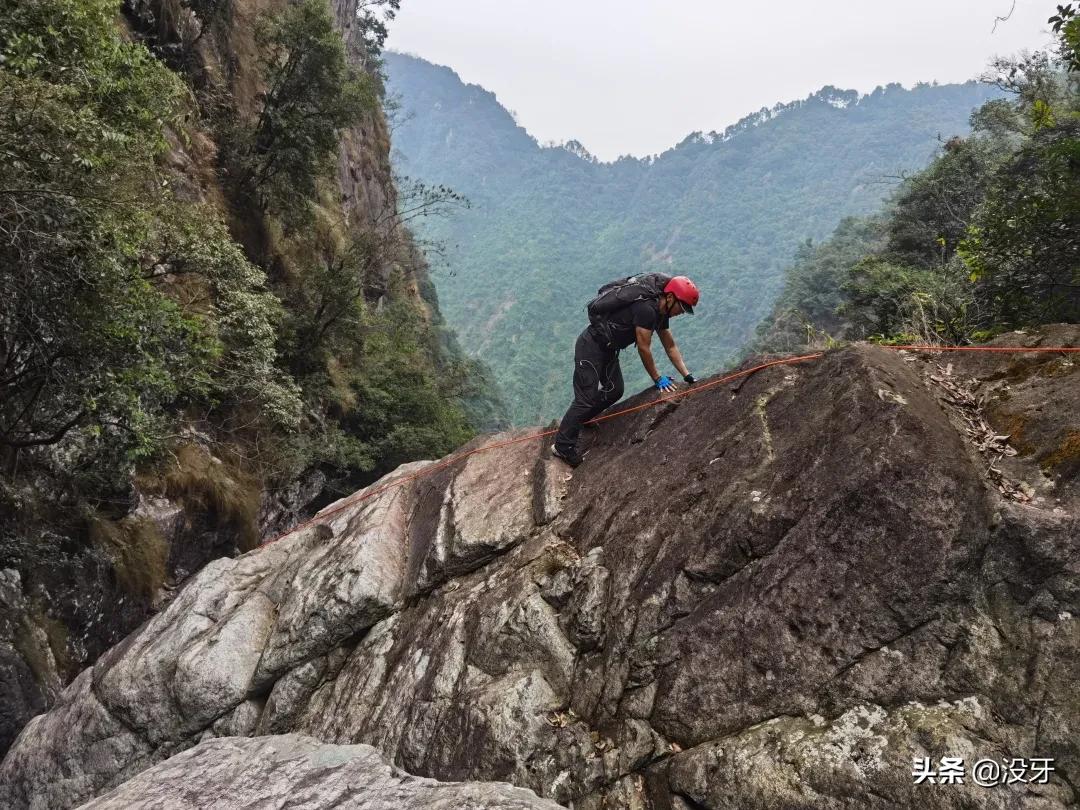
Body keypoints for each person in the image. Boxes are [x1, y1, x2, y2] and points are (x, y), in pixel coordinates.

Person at [552, 275, 699, 467]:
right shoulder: (647, 309)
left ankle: (583, 418)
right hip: (591, 346)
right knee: (585, 398)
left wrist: (687, 375)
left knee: (615, 390)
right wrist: (657, 378)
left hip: (608, 349)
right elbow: (644, 348)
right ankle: (562, 446)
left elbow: (670, 346)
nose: (681, 312)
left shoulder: (662, 312)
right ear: (670, 297)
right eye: (682, 307)